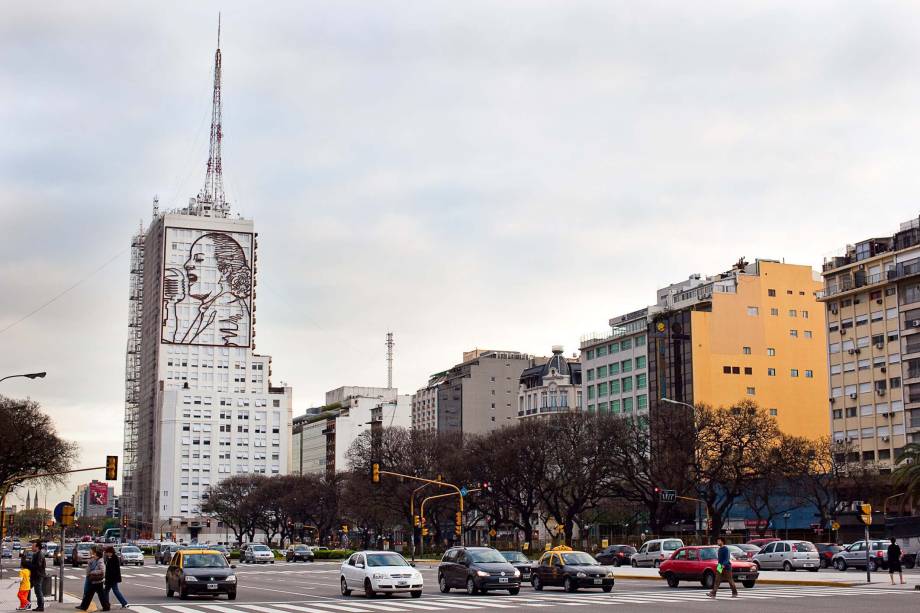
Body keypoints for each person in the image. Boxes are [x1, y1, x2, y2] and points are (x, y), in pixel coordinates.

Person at [77, 546, 110, 611]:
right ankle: (84, 606)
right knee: (91, 595)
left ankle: (106, 607)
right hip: (94, 580)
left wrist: (92, 572)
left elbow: (102, 571)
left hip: (97, 580)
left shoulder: (100, 561)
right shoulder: (95, 560)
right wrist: (90, 563)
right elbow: (89, 569)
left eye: (94, 554)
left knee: (94, 595)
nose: (93, 555)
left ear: (97, 554)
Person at [28, 541, 45, 611]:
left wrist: (28, 565)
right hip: (34, 575)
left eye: (33, 546)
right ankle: (27, 603)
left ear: (37, 547)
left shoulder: (40, 554)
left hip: (38, 575)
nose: (32, 547)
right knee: (27, 587)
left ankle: (41, 606)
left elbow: (38, 566)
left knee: (38, 591)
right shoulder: (36, 554)